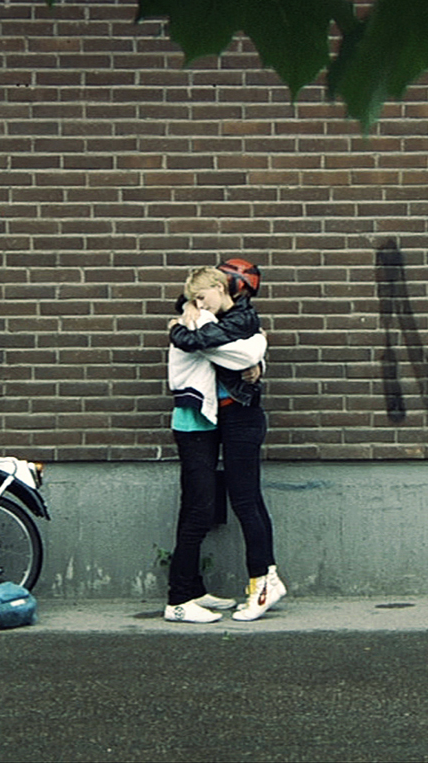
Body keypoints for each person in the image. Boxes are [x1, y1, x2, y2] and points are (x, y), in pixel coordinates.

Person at [164, 261, 286, 623]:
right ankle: (183, 595)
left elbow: (243, 355)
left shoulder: (227, 320)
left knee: (244, 500)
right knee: (201, 507)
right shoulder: (197, 318)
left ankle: (260, 583)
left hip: (234, 415)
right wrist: (255, 346)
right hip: (204, 418)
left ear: (221, 288)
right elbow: (239, 354)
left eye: (203, 297)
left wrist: (257, 354)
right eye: (194, 299)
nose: (199, 304)